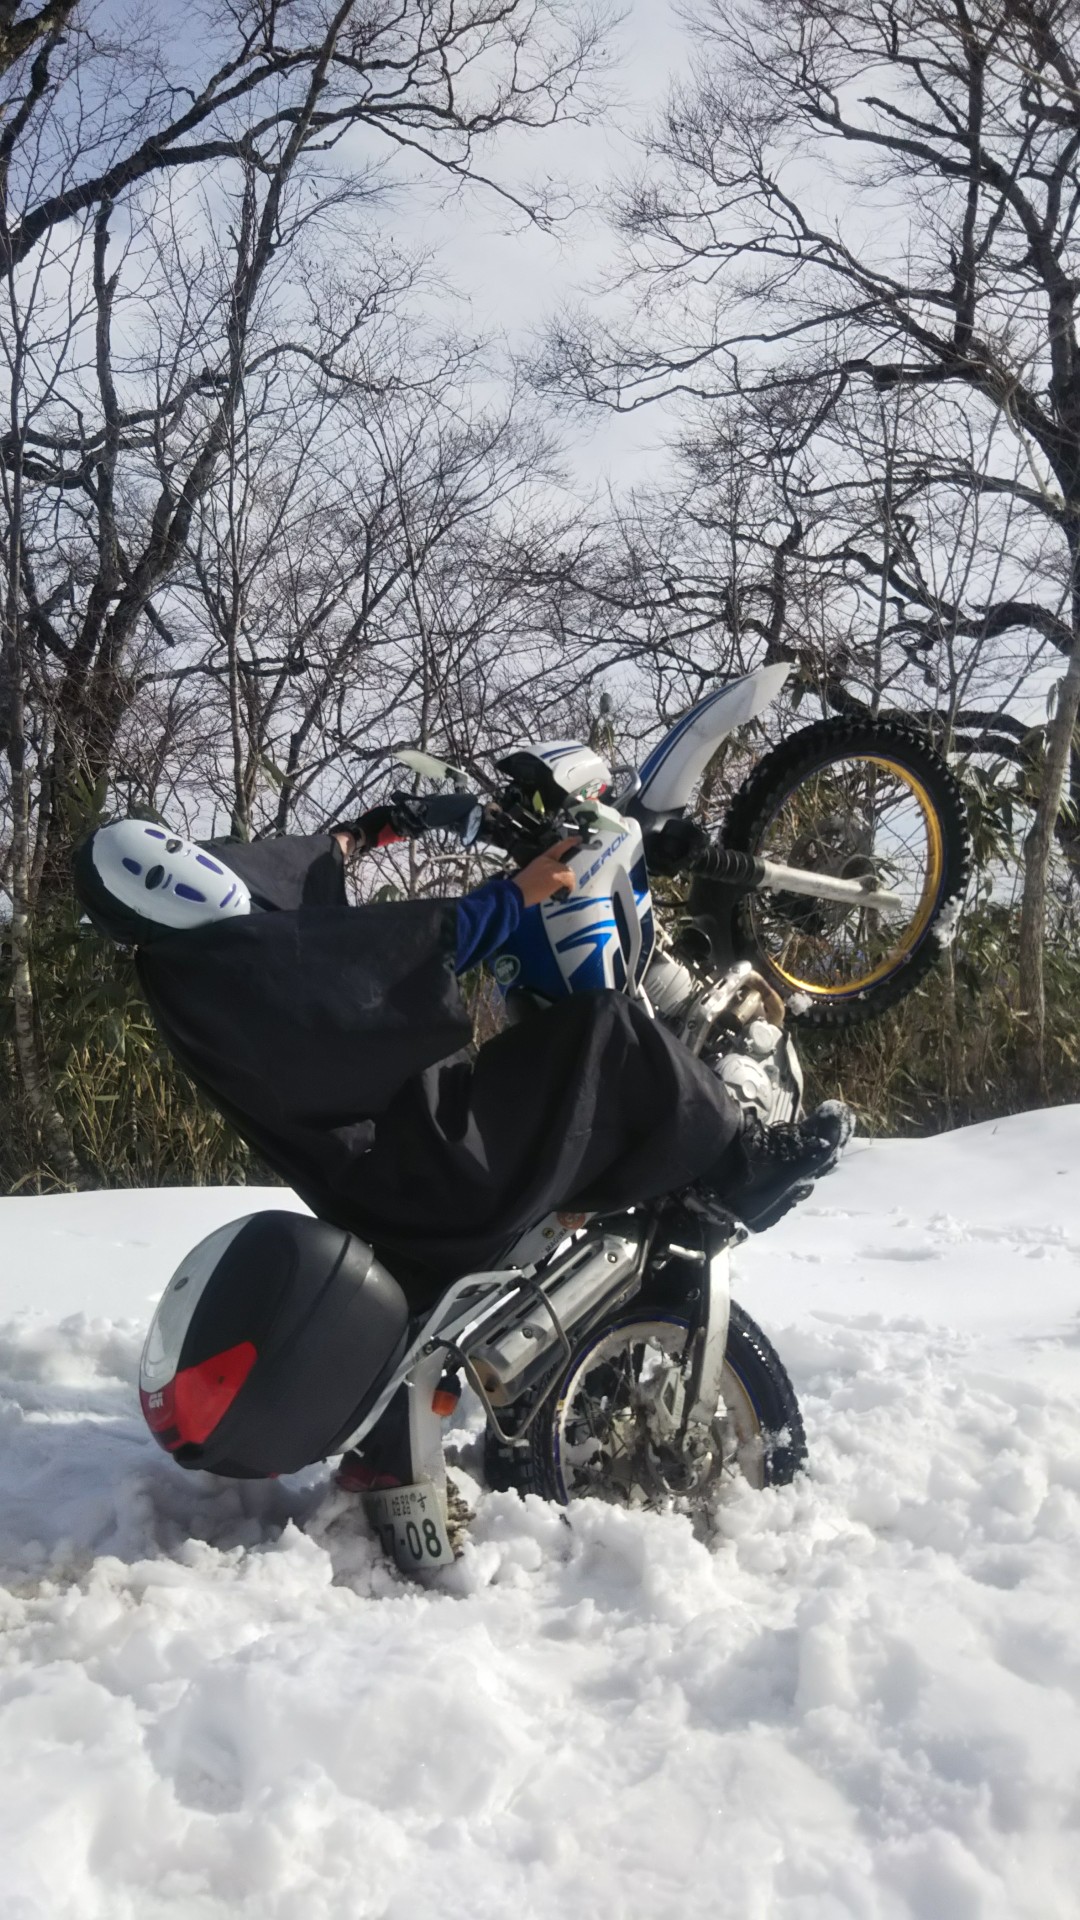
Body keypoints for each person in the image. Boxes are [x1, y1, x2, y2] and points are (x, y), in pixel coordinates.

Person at [73, 811, 850, 1309]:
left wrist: (369, 833)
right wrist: (512, 897)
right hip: (428, 1166)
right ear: (136, 913)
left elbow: (290, 875)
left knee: (543, 1058)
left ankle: (650, 1191)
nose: (171, 867)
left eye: (165, 849)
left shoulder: (209, 944)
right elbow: (374, 965)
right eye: (147, 873)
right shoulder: (228, 970)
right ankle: (736, 1170)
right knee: (601, 1032)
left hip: (395, 1171)